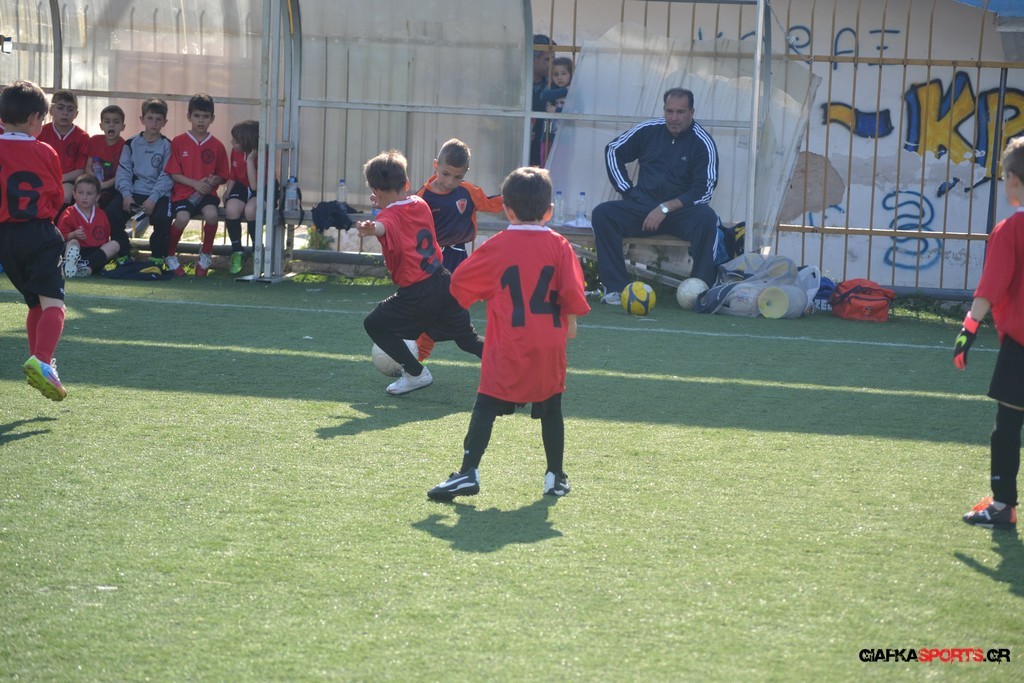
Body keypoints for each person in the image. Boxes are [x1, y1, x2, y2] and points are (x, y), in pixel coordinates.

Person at [427, 166, 591, 501]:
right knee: (551, 407)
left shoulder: (498, 245)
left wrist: (483, 292)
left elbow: (460, 283)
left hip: (508, 343)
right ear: (549, 211)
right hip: (549, 344)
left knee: (487, 403)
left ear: (507, 210)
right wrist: (570, 323)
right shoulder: (560, 246)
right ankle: (555, 476)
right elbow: (573, 292)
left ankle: (468, 472)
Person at [354, 150, 484, 396]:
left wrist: (371, 229)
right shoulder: (421, 203)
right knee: (468, 339)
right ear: (407, 183)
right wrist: (384, 205)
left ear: (376, 191)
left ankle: (416, 373)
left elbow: (384, 225)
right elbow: (400, 216)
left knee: (374, 325)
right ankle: (514, 363)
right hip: (444, 281)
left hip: (417, 293)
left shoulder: (387, 217)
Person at [592, 87, 720, 305]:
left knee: (707, 218)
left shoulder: (702, 142)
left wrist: (665, 208)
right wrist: (628, 191)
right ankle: (616, 289)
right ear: (664, 110)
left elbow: (704, 190)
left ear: (692, 112)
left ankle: (700, 292)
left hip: (680, 213)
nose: (674, 118)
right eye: (669, 111)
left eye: (680, 112)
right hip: (643, 209)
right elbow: (613, 150)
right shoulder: (649, 130)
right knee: (603, 214)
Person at [956, 136, 1024, 529]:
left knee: (1008, 427)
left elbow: (991, 286)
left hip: (1021, 347)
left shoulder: (1010, 229)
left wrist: (968, 329)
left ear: (1012, 179)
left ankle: (1002, 506)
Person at [0, 81, 70, 401]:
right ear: (33, 119)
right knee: (54, 303)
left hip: (6, 238)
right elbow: (57, 196)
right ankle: (42, 360)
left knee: (35, 303)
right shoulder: (45, 151)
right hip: (39, 233)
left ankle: (38, 361)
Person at [164, 93, 229, 277]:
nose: (201, 120)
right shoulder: (178, 142)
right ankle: (169, 254)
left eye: (206, 116)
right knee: (182, 218)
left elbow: (223, 175)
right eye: (197, 116)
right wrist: (194, 184)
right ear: (189, 116)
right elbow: (174, 173)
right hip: (183, 193)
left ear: (212, 118)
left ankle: (206, 254)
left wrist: (213, 180)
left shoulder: (217, 145)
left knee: (212, 215)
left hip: (207, 194)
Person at [415, 139, 504, 274]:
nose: (450, 182)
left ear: (465, 172)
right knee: (436, 287)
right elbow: (408, 223)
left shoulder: (469, 191)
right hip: (432, 257)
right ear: (436, 165)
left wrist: (514, 198)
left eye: (458, 177)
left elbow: (490, 204)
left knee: (460, 287)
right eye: (445, 174)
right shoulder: (422, 197)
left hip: (460, 254)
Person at [109, 97, 175, 259]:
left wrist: (153, 199)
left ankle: (158, 257)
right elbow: (123, 172)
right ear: (142, 119)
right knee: (112, 212)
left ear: (165, 122)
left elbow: (167, 176)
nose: (154, 123)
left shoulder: (168, 145)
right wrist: (126, 196)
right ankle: (123, 253)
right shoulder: (131, 143)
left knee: (163, 218)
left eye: (158, 119)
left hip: (158, 195)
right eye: (150, 118)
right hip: (134, 192)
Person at [57, 174, 120, 278]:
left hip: (94, 253)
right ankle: (69, 264)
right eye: (80, 193)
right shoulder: (68, 213)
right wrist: (73, 234)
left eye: (89, 193)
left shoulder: (102, 215)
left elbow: (105, 240)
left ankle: (87, 266)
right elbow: (60, 238)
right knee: (73, 243)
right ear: (74, 194)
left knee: (114, 245)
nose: (84, 197)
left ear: (97, 197)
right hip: (76, 250)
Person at [37, 89, 88, 207]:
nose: (65, 113)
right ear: (51, 110)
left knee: (65, 195)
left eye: (70, 109)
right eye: (60, 108)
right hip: (43, 177)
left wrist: (59, 179)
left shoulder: (82, 137)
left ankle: (62, 219)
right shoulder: (40, 132)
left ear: (76, 114)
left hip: (68, 180)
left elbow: (81, 170)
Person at [223, 120, 259, 275]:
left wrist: (250, 160)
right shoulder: (234, 151)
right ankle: (237, 250)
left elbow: (255, 186)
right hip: (241, 186)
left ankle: (257, 251)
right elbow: (233, 174)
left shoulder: (262, 155)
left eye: (236, 141)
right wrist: (228, 191)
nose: (232, 142)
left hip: (260, 189)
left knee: (251, 210)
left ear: (247, 143)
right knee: (231, 208)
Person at [82, 104, 126, 208]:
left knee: (101, 201)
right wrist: (95, 182)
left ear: (123, 127)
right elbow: (88, 166)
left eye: (116, 122)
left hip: (112, 186)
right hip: (93, 182)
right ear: (101, 126)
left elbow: (121, 175)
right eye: (107, 122)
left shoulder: (125, 146)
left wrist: (103, 185)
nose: (111, 125)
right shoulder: (94, 141)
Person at [538, 56, 574, 166]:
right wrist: (565, 90)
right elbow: (544, 96)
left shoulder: (575, 92)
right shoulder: (550, 88)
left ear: (571, 74)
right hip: (547, 137)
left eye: (564, 73)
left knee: (562, 167)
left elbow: (576, 112)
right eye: (556, 74)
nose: (560, 77)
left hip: (566, 139)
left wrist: (557, 110)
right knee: (546, 167)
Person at [529, 34, 555, 166]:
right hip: (519, 150)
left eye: (553, 59)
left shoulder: (554, 88)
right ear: (533, 59)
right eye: (547, 59)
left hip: (544, 154)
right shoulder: (516, 85)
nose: (552, 64)